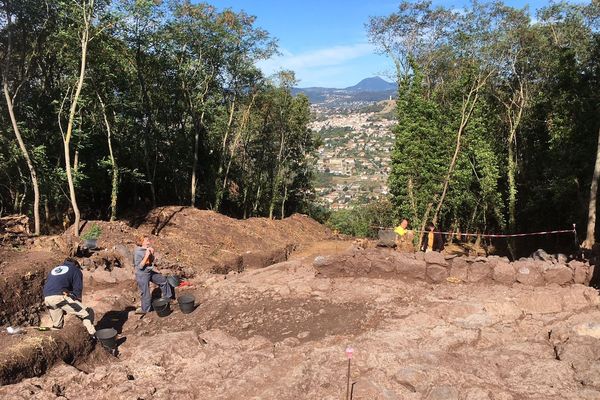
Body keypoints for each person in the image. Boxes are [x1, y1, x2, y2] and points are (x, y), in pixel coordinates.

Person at [43, 258, 96, 337]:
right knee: (87, 313)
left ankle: (51, 339)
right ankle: (93, 337)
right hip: (60, 296)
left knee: (57, 326)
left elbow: (52, 285)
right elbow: (77, 290)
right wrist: (78, 307)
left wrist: (64, 305)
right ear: (76, 265)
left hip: (47, 298)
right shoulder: (75, 270)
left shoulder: (55, 269)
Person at [133, 235, 172, 315]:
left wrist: (152, 254)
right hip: (142, 274)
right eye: (146, 240)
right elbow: (140, 266)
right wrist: (147, 255)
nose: (149, 242)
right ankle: (146, 310)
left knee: (163, 280)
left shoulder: (147, 250)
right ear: (142, 242)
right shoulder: (138, 252)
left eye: (148, 240)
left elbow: (151, 261)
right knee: (146, 292)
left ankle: (168, 298)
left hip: (149, 272)